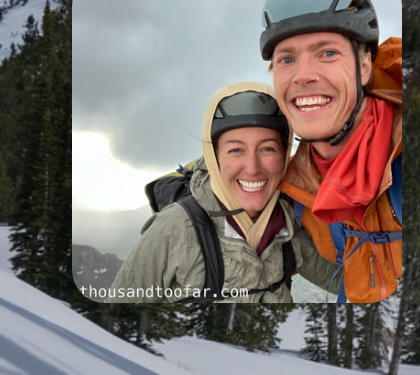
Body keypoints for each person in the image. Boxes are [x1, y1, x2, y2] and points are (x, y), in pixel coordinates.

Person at [263, 0, 402, 303]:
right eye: (287, 59)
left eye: (327, 53)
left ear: (365, 66)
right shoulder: (293, 193)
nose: (303, 76)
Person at [108, 83, 302, 303]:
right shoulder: (174, 227)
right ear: (214, 158)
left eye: (267, 149)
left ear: (285, 154)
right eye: (235, 150)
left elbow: (333, 275)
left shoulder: (289, 222)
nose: (252, 168)